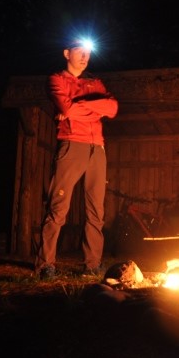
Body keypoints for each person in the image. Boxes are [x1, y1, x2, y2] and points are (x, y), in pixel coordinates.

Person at [35, 38, 118, 280]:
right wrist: (93, 108)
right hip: (72, 145)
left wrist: (76, 106)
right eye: (79, 51)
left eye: (88, 52)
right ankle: (45, 265)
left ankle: (92, 264)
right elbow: (66, 108)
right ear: (66, 53)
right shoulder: (56, 80)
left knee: (96, 211)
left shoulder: (95, 82)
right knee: (58, 207)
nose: (85, 56)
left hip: (98, 149)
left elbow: (112, 108)